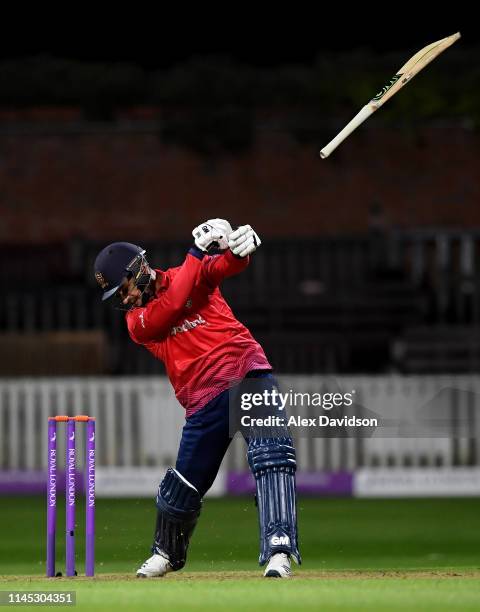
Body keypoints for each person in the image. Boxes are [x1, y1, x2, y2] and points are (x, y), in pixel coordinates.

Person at [94, 219, 301, 578]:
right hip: (203, 401)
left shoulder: (185, 273)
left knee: (272, 456)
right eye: (118, 296)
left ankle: (279, 550)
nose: (125, 298)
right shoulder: (137, 322)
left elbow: (221, 267)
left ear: (139, 269)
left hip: (247, 373)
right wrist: (196, 251)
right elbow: (174, 304)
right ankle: (166, 553)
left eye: (124, 288)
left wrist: (238, 250)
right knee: (182, 487)